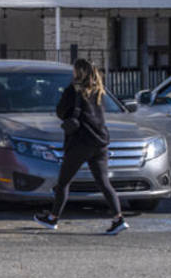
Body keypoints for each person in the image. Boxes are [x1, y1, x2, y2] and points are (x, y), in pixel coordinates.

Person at [35, 59, 127, 235]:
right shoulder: (99, 91)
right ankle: (118, 218)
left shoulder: (72, 90)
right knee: (103, 182)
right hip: (99, 142)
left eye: (75, 70)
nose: (73, 73)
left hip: (80, 142)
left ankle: (53, 218)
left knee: (63, 182)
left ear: (79, 72)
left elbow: (61, 112)